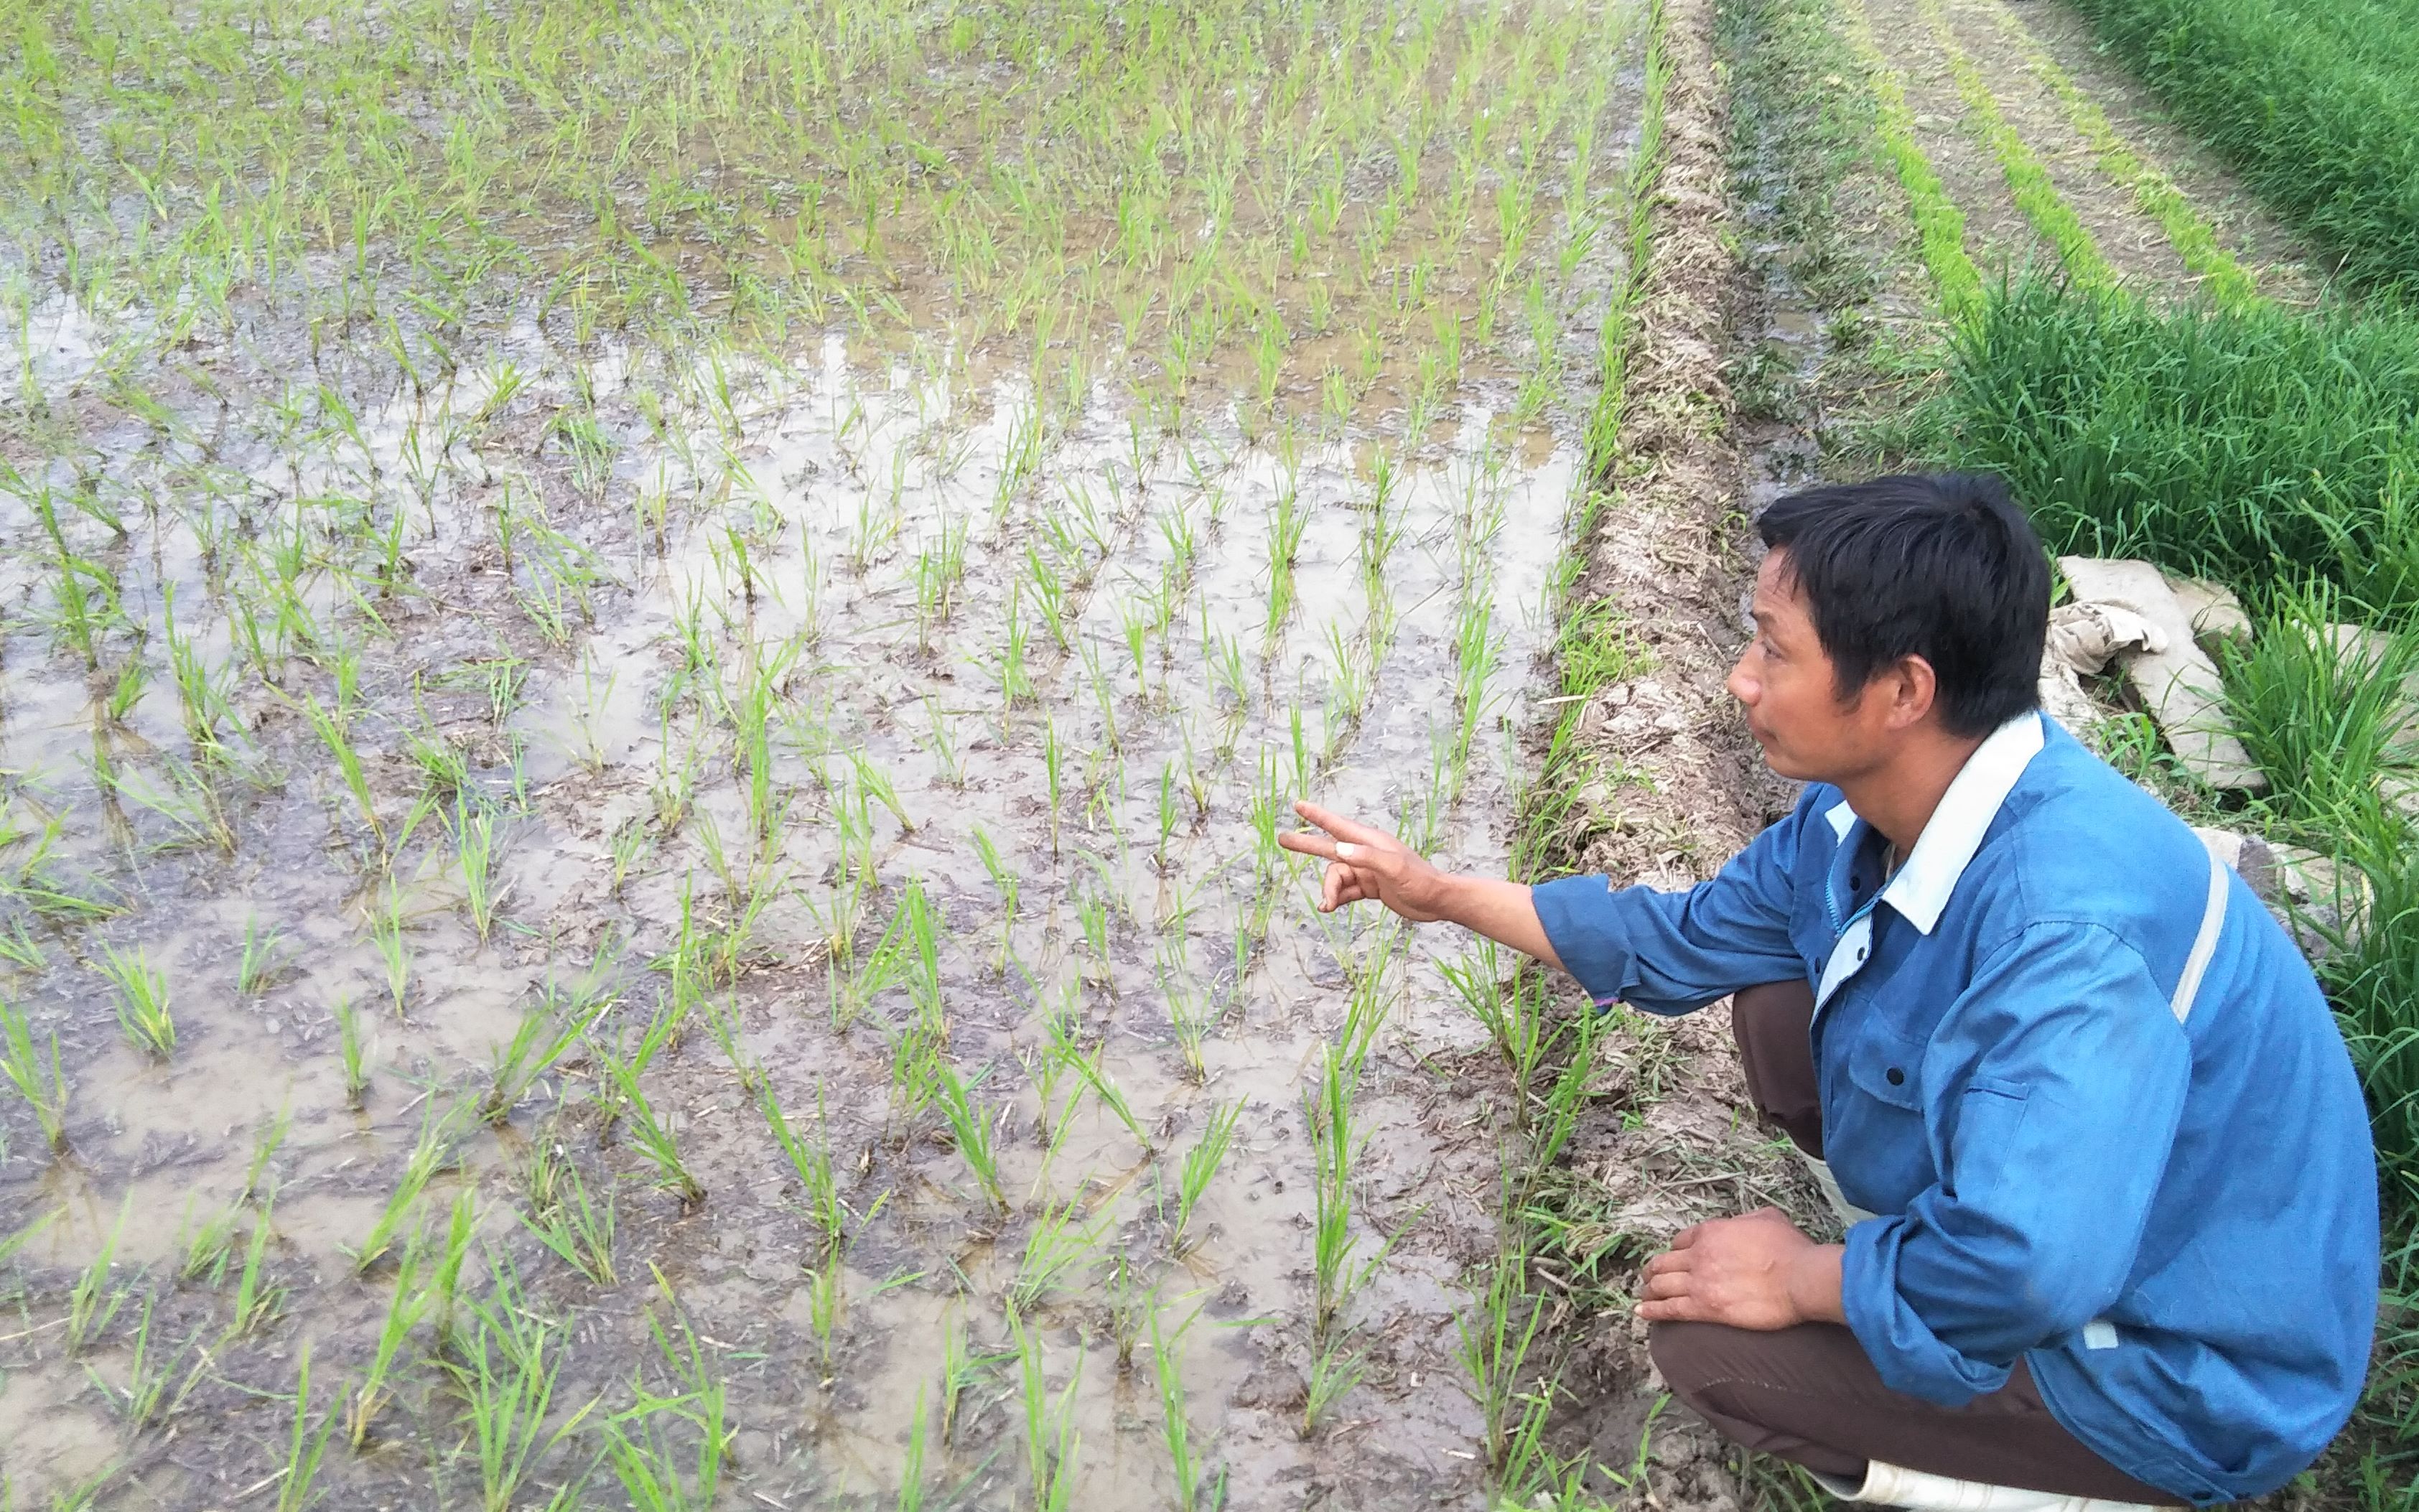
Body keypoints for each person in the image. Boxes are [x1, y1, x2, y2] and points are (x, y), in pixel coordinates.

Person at [1279, 475, 2377, 1510]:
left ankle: (2074, 1480)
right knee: (1773, 989)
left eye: (1771, 650)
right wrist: (1435, 892)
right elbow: (1676, 939)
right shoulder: (1867, 812)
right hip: (2089, 1209)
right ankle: (1910, 1265)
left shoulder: (2062, 934)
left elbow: (2029, 1262)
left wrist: (1806, 1278)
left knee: (1714, 1352)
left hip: (2177, 1364)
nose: (1739, 680)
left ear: (1902, 689)